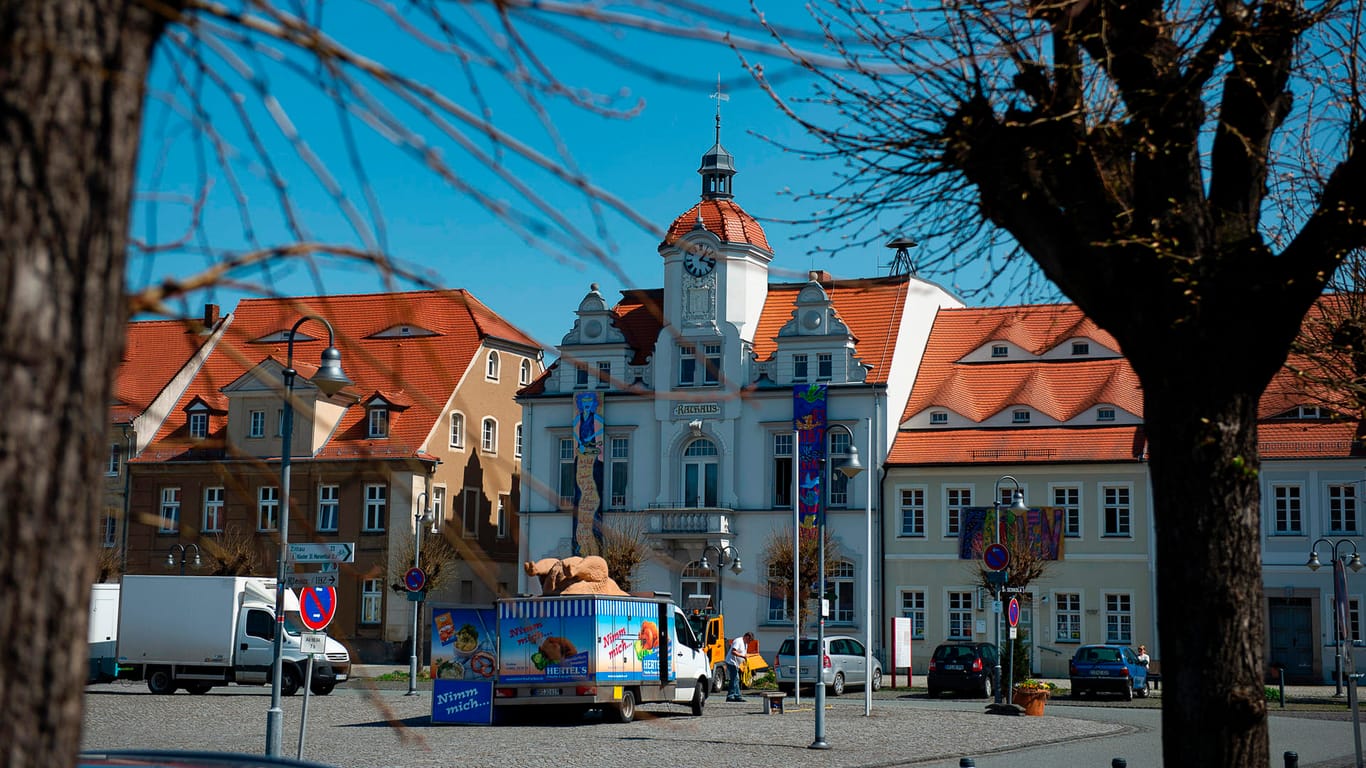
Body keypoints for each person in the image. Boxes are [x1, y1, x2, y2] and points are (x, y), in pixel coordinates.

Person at [726, 631, 753, 702]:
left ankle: (732, 696)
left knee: (734, 679)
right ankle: (736, 696)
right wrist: (742, 656)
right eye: (749, 640)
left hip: (736, 664)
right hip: (731, 662)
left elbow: (743, 653)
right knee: (735, 678)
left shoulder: (745, 644)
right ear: (747, 637)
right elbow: (733, 651)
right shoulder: (738, 641)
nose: (749, 642)